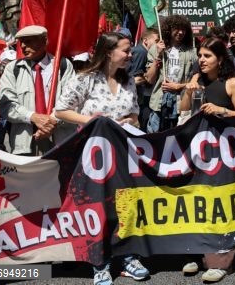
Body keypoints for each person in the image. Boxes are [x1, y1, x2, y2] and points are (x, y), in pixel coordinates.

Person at [54, 32, 149, 285]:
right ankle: (100, 263)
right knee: (98, 207)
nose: (131, 55)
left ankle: (129, 256)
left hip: (123, 154)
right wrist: (92, 121)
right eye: (126, 50)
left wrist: (130, 120)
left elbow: (136, 116)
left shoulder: (128, 80)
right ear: (109, 52)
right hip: (93, 158)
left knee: (126, 205)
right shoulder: (85, 79)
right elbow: (61, 111)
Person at [179, 38, 235, 283]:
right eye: (200, 55)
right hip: (197, 152)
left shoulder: (232, 84)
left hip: (224, 153)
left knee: (220, 205)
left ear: (220, 59)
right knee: (196, 201)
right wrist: (188, 91)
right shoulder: (196, 81)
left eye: (207, 55)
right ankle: (194, 252)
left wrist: (223, 111)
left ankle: (219, 261)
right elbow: (184, 110)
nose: (201, 59)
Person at [0, 25, 75, 156]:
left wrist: (51, 122)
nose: (22, 46)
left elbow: (72, 102)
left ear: (44, 41)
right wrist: (33, 117)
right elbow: (5, 104)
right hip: (25, 144)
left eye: (28, 41)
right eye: (21, 42)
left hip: (60, 140)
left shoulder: (63, 66)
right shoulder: (13, 69)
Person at [145, 15, 198, 132]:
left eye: (183, 29)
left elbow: (196, 75)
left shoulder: (191, 51)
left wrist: (179, 86)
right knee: (156, 140)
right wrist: (158, 56)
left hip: (182, 104)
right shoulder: (155, 49)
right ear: (168, 30)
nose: (180, 32)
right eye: (177, 29)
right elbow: (149, 79)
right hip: (159, 104)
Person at [130, 27, 160, 131]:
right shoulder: (141, 53)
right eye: (156, 41)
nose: (158, 44)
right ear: (145, 40)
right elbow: (136, 78)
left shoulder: (140, 51)